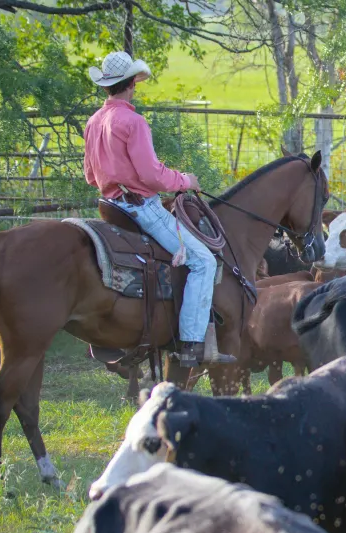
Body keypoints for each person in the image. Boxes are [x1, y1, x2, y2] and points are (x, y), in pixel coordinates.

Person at [83, 51, 235, 367]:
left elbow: (89, 175)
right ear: (132, 84)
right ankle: (193, 345)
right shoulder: (133, 122)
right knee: (204, 262)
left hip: (109, 206)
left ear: (107, 87)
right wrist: (185, 180)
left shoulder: (94, 122)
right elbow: (151, 176)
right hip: (141, 208)